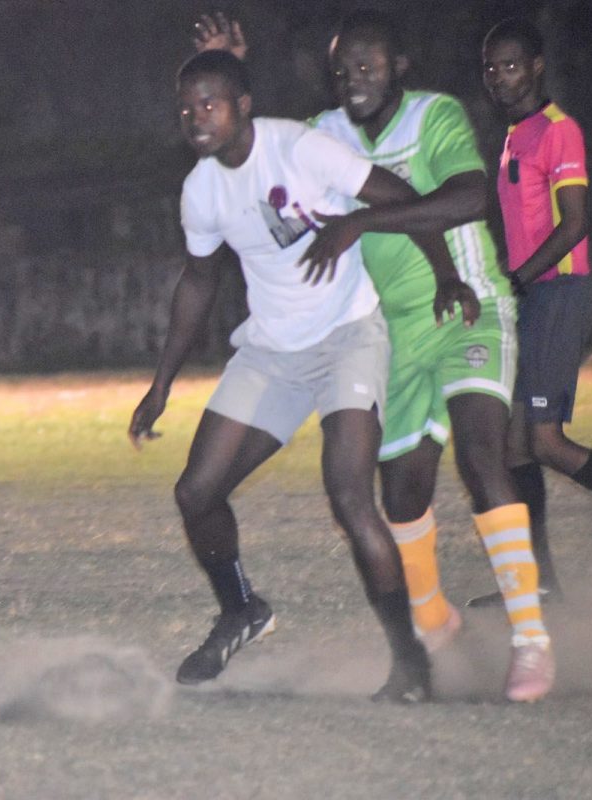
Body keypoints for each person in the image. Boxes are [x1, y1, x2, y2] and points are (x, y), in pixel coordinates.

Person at [192, 10, 556, 702]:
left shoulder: (435, 115)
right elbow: (268, 155)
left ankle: (531, 641)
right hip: (392, 331)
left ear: (400, 67)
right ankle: (435, 623)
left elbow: (468, 197)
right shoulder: (325, 133)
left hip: (469, 303)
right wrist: (232, 73)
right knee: (400, 494)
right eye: (342, 71)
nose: (353, 80)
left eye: (368, 66)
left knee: (483, 459)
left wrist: (362, 220)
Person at [129, 48, 465, 702]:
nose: (196, 117)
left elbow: (401, 197)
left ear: (243, 106)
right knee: (196, 492)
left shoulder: (302, 149)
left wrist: (445, 273)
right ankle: (242, 610)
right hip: (272, 350)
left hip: (348, 337)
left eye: (210, 103)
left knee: (348, 494)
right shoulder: (201, 188)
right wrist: (161, 384)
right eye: (186, 108)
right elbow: (198, 283)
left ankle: (411, 663)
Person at [475, 18, 592, 603]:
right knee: (512, 447)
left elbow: (575, 223)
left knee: (546, 442)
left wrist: (520, 277)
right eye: (490, 68)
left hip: (557, 293)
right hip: (533, 295)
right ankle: (540, 582)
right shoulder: (513, 135)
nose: (500, 77)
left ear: (536, 67)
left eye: (510, 65)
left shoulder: (559, 131)